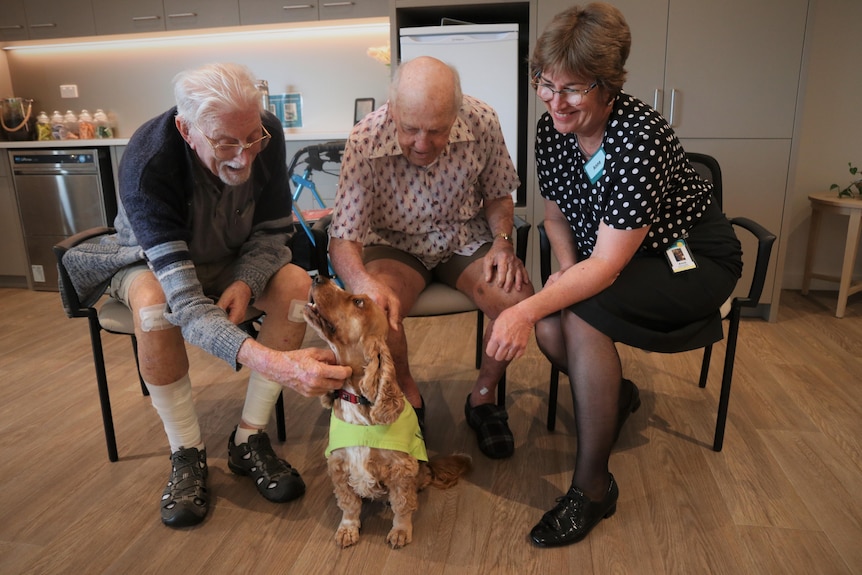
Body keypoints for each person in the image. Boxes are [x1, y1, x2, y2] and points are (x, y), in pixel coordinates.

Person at [485, 3, 743, 547]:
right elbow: (555, 216)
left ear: (609, 86)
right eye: (545, 84)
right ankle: (616, 394)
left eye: (573, 89)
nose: (555, 101)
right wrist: (562, 277)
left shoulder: (638, 137)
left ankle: (593, 487)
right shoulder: (552, 128)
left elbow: (606, 268)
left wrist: (527, 308)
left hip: (686, 255)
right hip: (612, 256)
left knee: (578, 311)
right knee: (558, 325)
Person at [61, 62, 351, 528]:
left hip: (232, 259)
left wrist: (245, 283)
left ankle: (248, 440)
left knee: (297, 285)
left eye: (251, 139)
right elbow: (188, 306)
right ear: (185, 128)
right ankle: (186, 450)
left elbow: (271, 235)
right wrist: (279, 364)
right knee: (156, 308)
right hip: (151, 265)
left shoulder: (266, 135)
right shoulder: (147, 160)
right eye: (225, 144)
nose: (244, 158)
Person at [328, 56, 533, 459]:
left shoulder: (483, 120)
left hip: (462, 236)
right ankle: (409, 397)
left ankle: (483, 399)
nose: (422, 145)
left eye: (437, 131)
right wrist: (362, 282)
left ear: (456, 112)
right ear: (393, 109)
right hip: (395, 244)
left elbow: (497, 194)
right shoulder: (364, 139)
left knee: (516, 298)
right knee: (373, 308)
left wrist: (503, 242)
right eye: (410, 129)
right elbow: (343, 239)